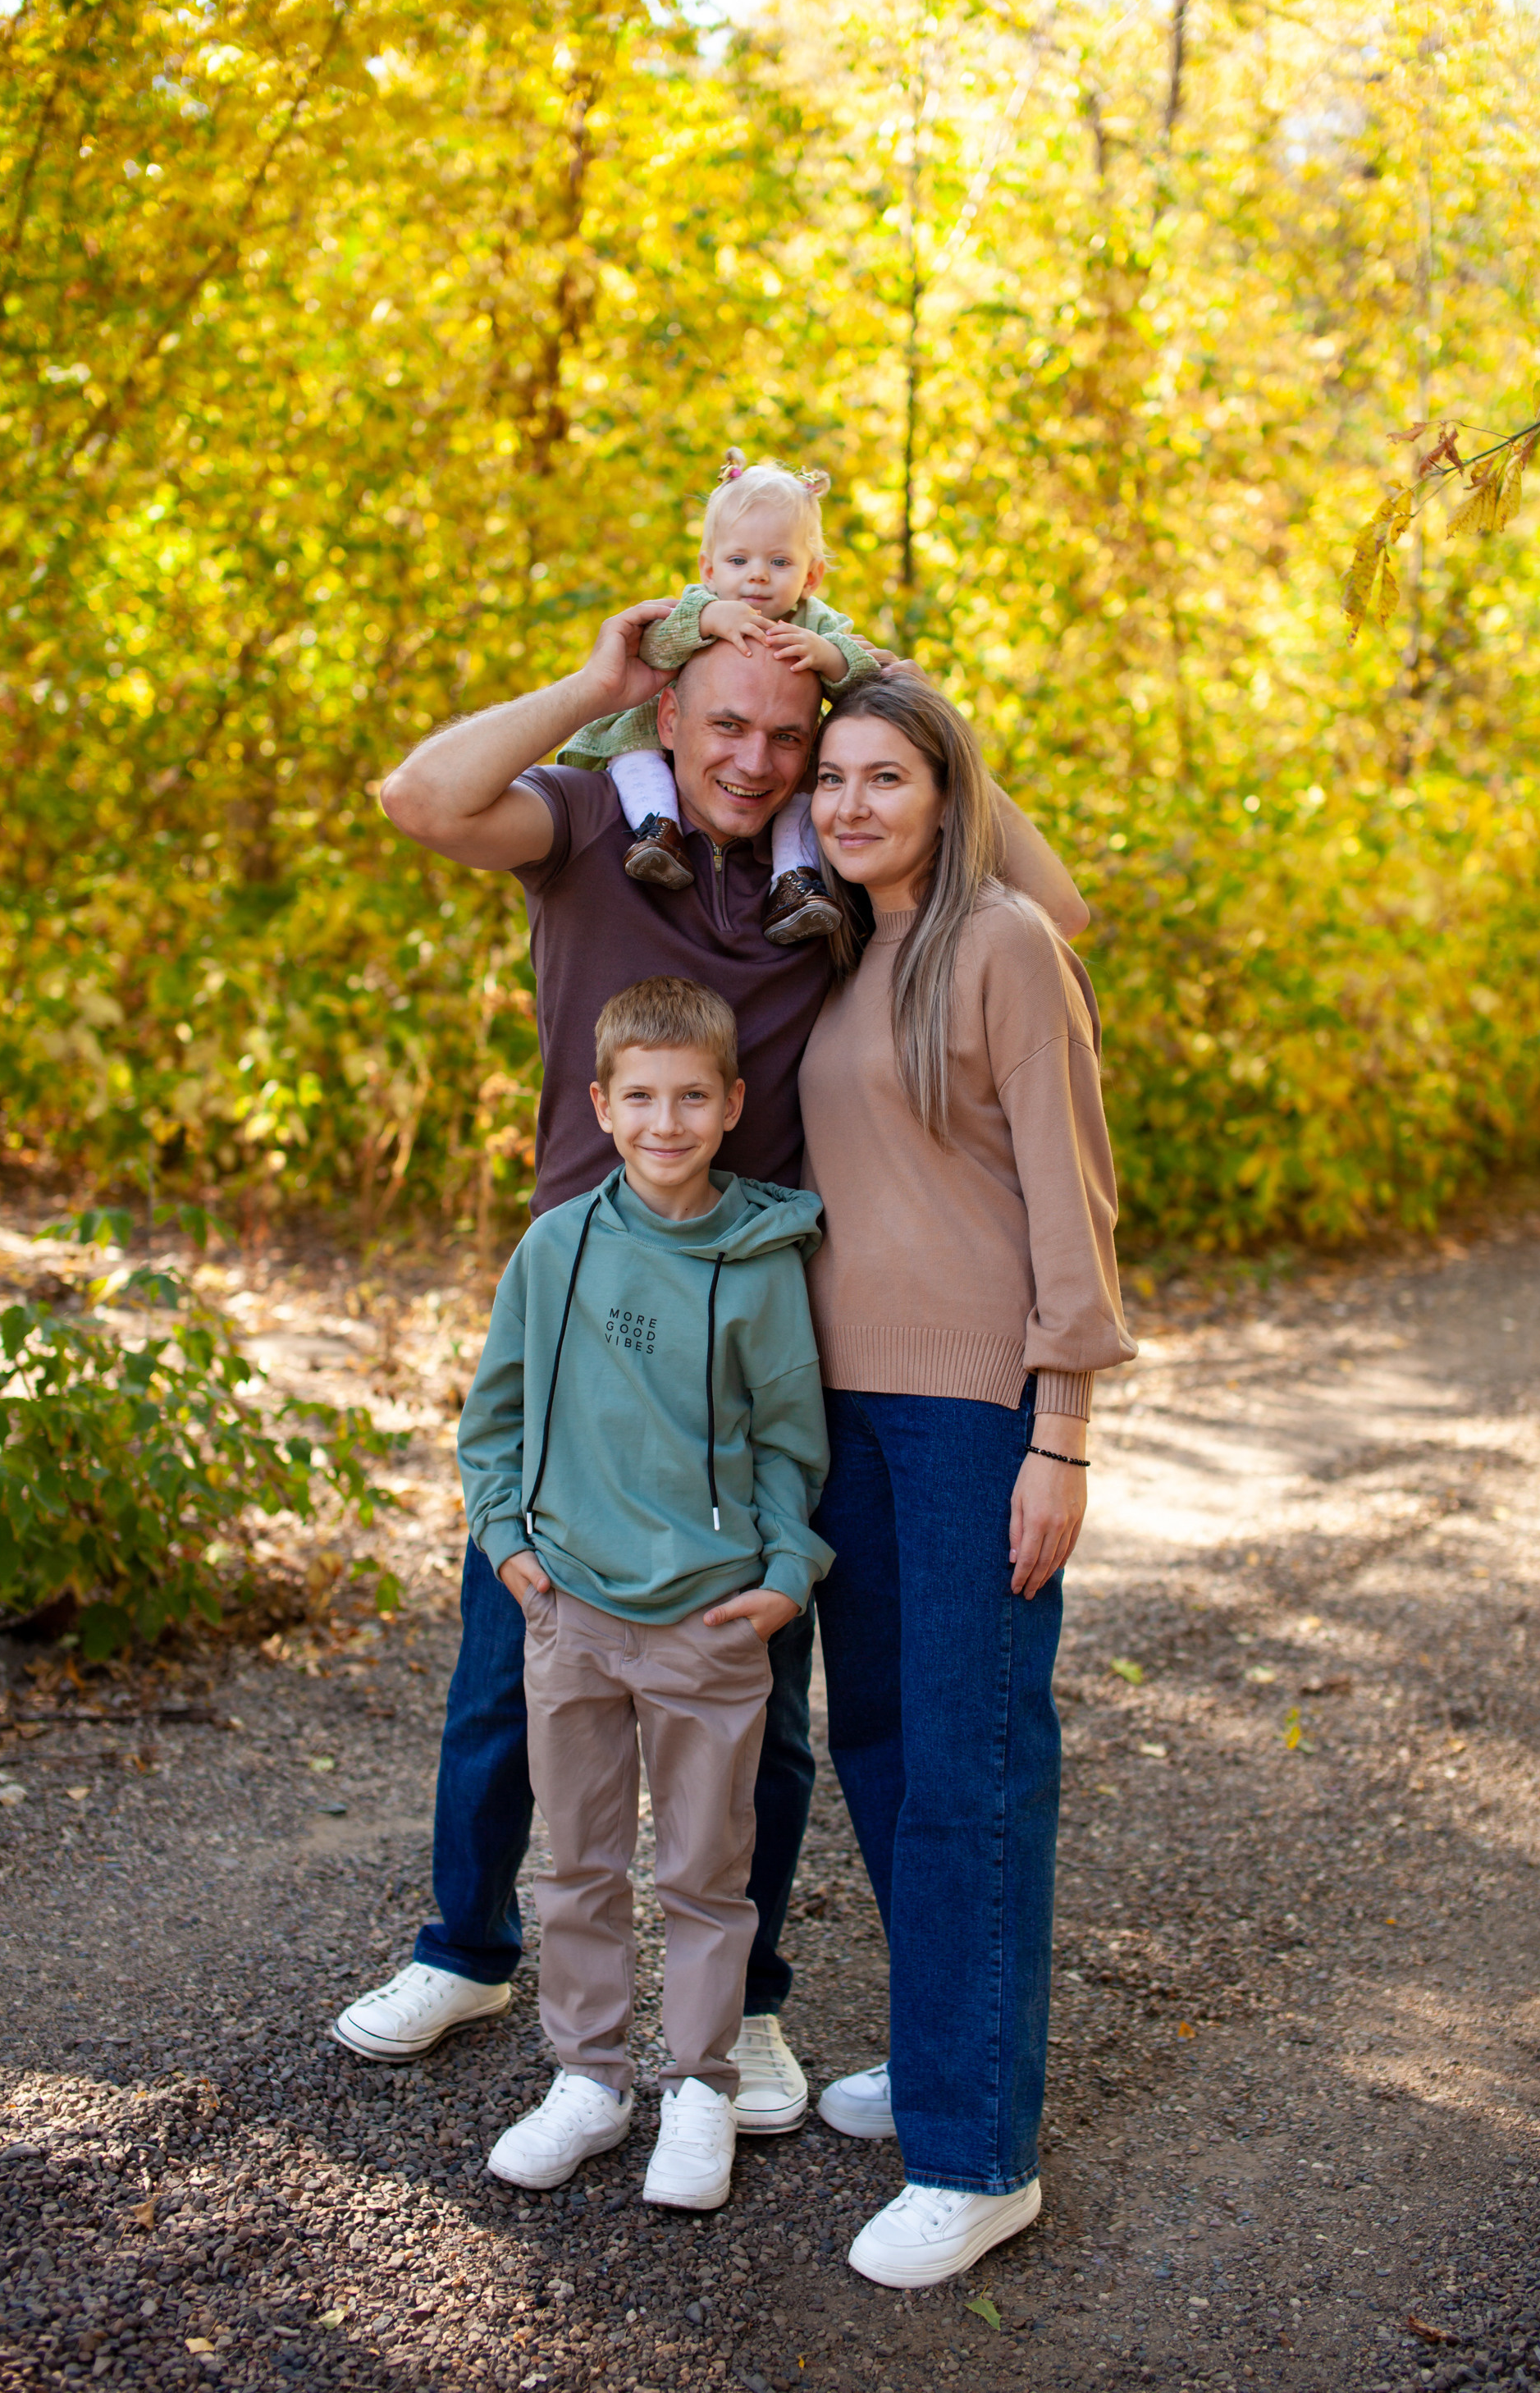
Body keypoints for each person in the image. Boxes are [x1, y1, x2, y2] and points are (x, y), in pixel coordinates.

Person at [337, 597, 1086, 2135]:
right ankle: (466, 1949)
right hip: (585, 1300)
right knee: (516, 1651)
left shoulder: (839, 882)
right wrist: (593, 679)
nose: (754, 759)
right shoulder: (596, 824)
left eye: (788, 735)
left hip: (757, 1322)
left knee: (758, 1690)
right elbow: (418, 797)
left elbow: (1047, 911)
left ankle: (741, 2005)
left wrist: (886, 688)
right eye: (724, 724)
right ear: (669, 719)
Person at [797, 669, 1136, 2286]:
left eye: (888, 776)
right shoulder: (835, 948)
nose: (851, 804)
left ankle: (978, 2154)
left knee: (971, 1765)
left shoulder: (1003, 943)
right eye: (832, 778)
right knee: (876, 1741)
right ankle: (944, 2044)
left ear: (948, 795)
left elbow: (1073, 1198)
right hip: (840, 1414)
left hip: (974, 1417)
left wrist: (1060, 1430)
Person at [458, 977, 831, 2210]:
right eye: (640, 1098)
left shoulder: (762, 1264)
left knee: (704, 1877)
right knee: (576, 1864)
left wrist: (785, 1578)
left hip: (708, 1620)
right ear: (600, 1106)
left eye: (690, 1098)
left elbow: (790, 1442)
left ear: (731, 1106)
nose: (664, 1122)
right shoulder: (554, 1246)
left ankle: (701, 2089)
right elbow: (493, 1415)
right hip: (570, 1609)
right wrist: (507, 1542)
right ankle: (589, 2079)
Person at [556, 449, 880, 946]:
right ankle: (657, 830)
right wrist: (706, 621)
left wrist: (830, 658)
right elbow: (651, 648)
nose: (758, 575)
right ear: (709, 568)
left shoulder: (818, 624)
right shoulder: (701, 605)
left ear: (811, 576)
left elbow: (865, 684)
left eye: (780, 562)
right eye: (738, 560)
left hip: (789, 764)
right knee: (634, 756)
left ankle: (794, 881)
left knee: (804, 793)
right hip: (654, 737)